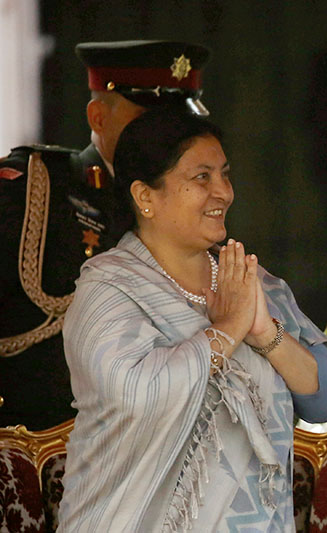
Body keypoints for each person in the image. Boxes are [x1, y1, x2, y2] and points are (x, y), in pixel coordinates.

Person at [58, 109, 327, 531]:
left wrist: (264, 333)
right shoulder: (108, 289)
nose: (223, 192)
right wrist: (228, 330)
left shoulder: (248, 281)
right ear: (145, 196)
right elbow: (136, 395)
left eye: (224, 175)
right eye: (202, 178)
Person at [0, 40, 211, 429]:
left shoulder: (198, 205)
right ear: (98, 118)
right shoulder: (31, 192)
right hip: (42, 443)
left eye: (179, 125)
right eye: (149, 122)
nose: (168, 138)